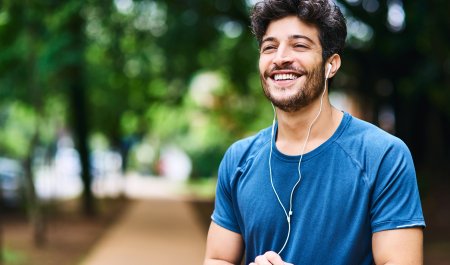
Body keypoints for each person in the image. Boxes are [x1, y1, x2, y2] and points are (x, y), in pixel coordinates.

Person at [203, 0, 425, 264]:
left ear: (331, 64)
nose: (280, 57)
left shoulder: (383, 156)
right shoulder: (238, 159)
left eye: (299, 45)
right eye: (269, 47)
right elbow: (219, 259)